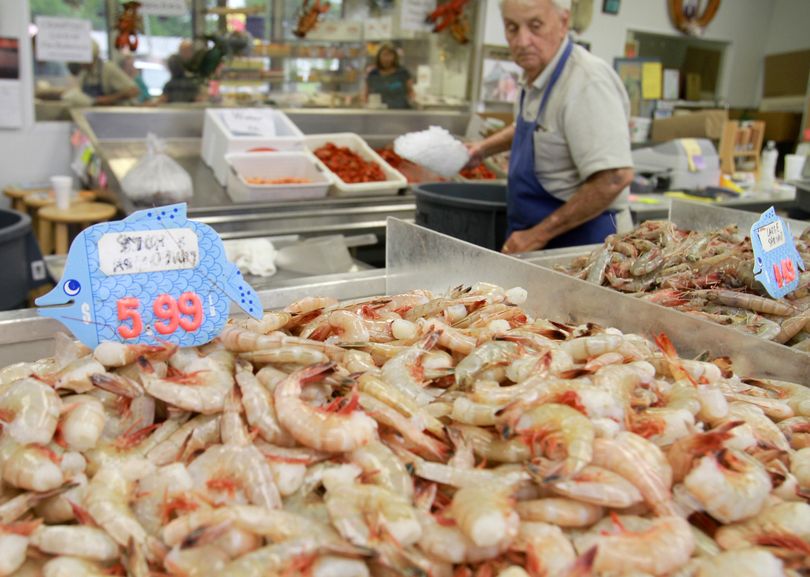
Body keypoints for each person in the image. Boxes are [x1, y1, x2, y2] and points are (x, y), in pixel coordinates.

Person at [466, 0, 634, 253]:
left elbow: (614, 177)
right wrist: (482, 149)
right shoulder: (534, 76)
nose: (522, 41)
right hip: (542, 242)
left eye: (535, 26)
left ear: (563, 22)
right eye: (512, 28)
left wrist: (537, 235)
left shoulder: (586, 82)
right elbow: (533, 128)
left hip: (588, 246)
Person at [68, 41, 140, 106]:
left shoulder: (108, 68)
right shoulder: (84, 73)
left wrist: (109, 99)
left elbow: (133, 91)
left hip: (114, 114)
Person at [363, 43, 414, 110]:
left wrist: (413, 102)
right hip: (379, 113)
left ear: (395, 57)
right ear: (379, 57)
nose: (386, 58)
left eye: (390, 55)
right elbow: (366, 95)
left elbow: (411, 92)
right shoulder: (373, 74)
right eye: (384, 55)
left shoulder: (403, 73)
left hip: (401, 112)